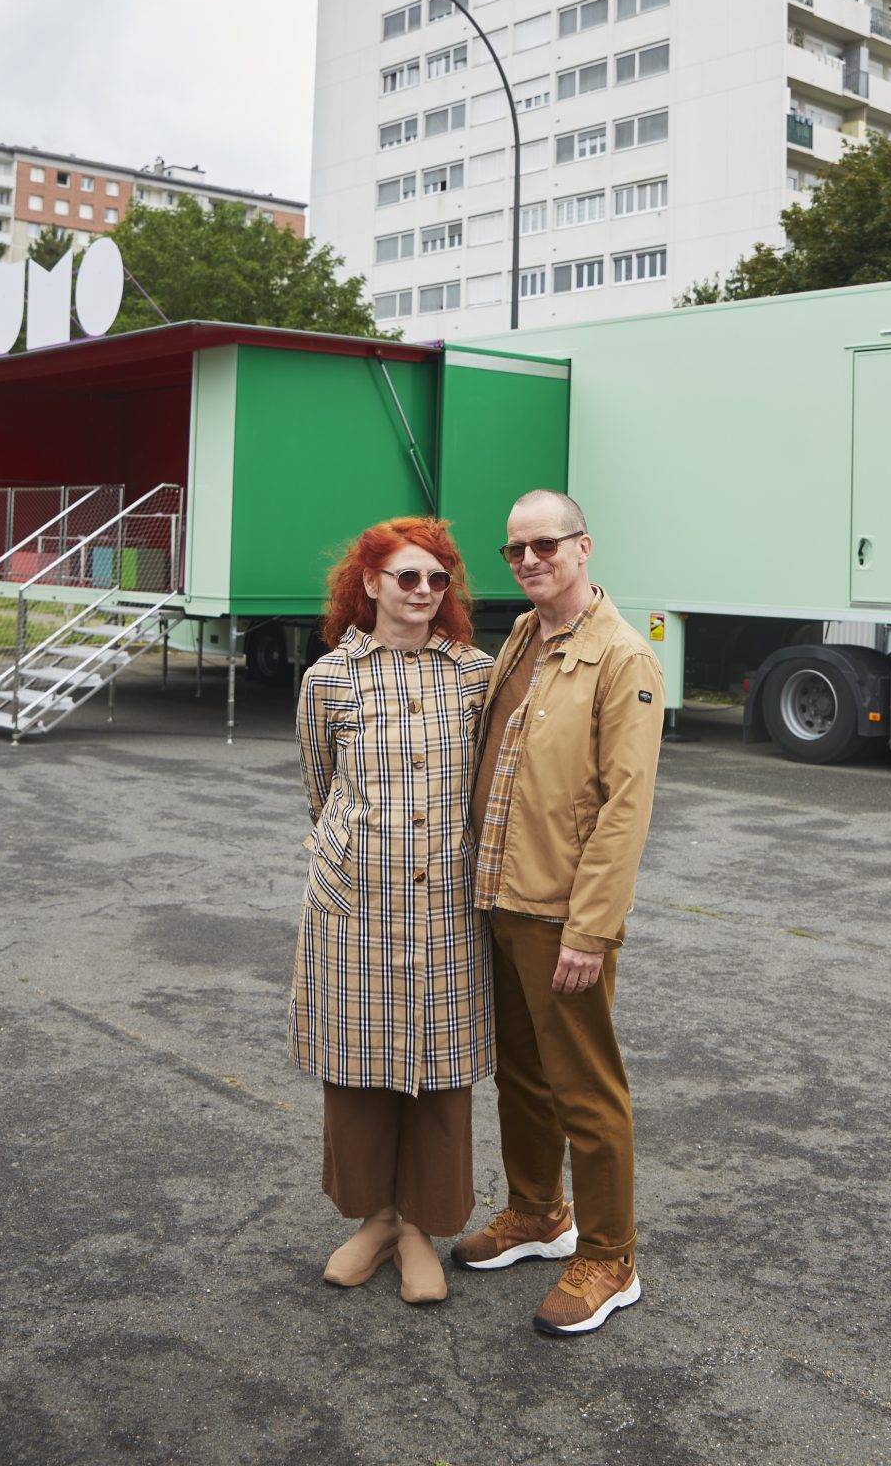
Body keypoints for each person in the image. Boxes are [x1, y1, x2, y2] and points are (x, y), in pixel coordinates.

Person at [451, 489, 665, 1338]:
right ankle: (538, 1214)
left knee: (586, 1088)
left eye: (545, 544)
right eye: (514, 550)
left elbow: (625, 805)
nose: (529, 560)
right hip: (499, 896)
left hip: (560, 913)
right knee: (521, 1075)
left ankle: (610, 1257)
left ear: (582, 546)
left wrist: (590, 927)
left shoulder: (621, 656)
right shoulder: (522, 637)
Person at [289, 516, 494, 1304]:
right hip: (356, 904)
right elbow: (320, 791)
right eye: (407, 577)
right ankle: (373, 1220)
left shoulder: (473, 674)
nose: (422, 592)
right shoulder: (328, 681)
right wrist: (351, 862)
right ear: (369, 583)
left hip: (446, 900)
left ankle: (420, 1232)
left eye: (436, 580)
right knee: (359, 1072)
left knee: (440, 1075)